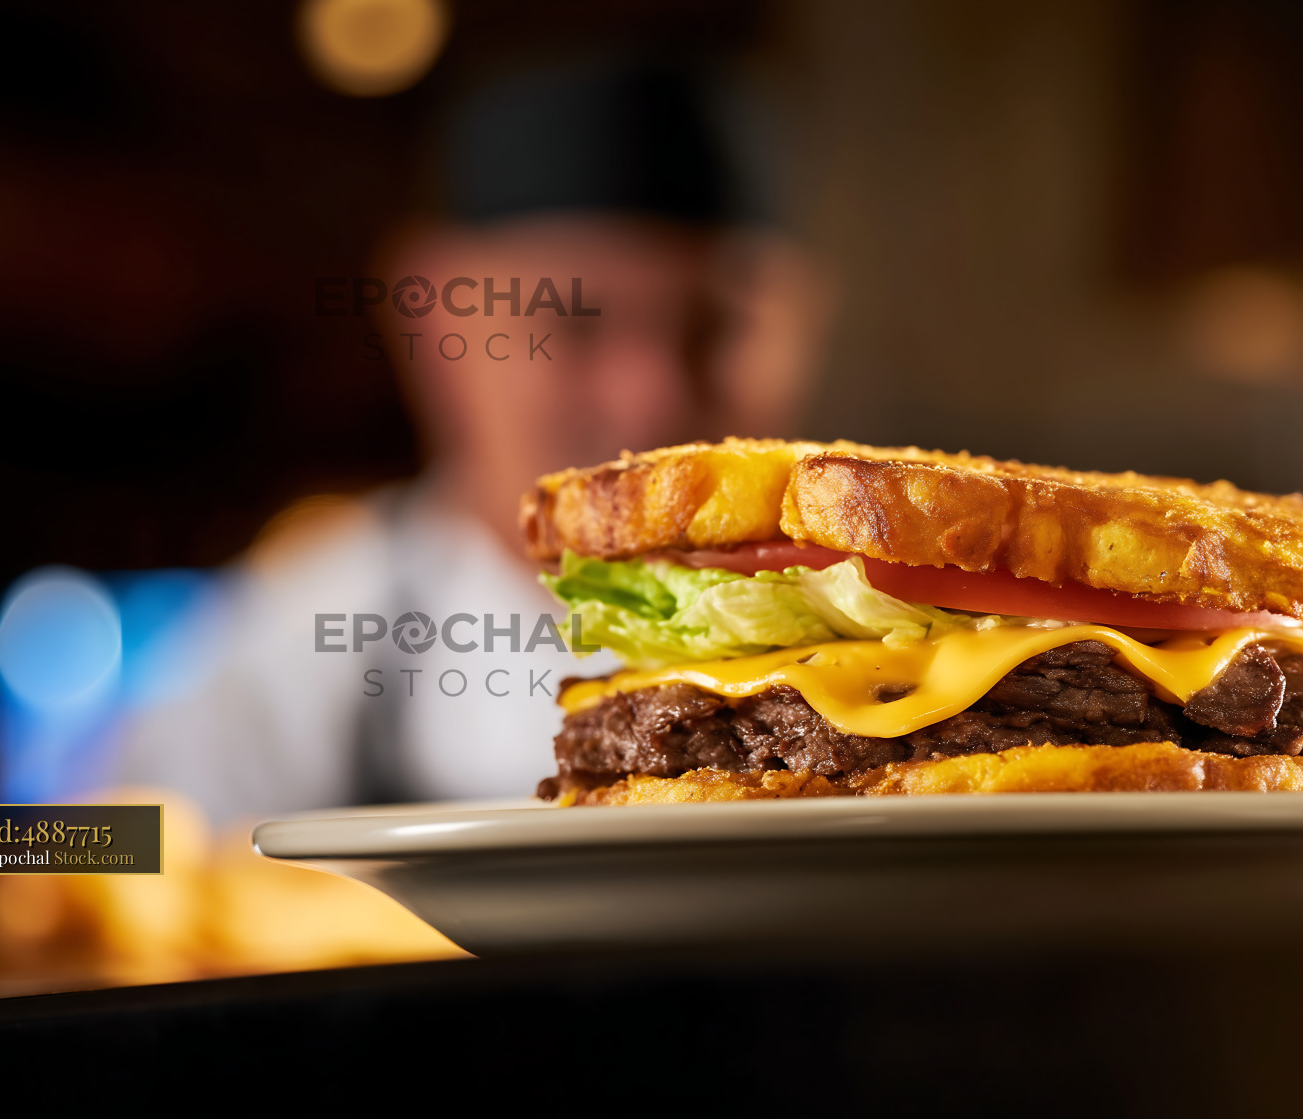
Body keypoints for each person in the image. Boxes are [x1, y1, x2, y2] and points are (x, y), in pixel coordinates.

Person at [109, 60, 826, 823]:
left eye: (715, 327)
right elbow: (62, 847)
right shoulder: (309, 632)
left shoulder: (902, 613)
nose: (649, 391)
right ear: (434, 317)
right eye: (573, 323)